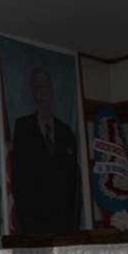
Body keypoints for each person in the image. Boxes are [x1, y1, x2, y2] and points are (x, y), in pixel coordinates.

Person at [12, 67, 81, 233]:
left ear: (52, 91)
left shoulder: (66, 132)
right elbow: (19, 181)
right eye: (36, 88)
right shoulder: (22, 128)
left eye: (44, 88)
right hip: (34, 228)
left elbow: (74, 184)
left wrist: (72, 226)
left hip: (64, 227)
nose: (41, 95)